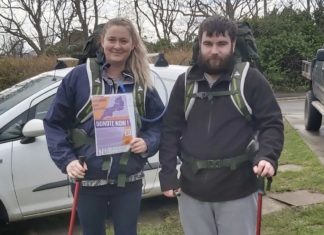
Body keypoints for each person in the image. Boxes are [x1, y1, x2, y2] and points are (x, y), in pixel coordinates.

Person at [159, 15, 284, 235]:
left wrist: (267, 156)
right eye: (208, 44)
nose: (214, 51)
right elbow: (170, 131)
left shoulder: (251, 80)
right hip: (191, 192)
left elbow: (272, 123)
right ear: (200, 44)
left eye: (221, 44)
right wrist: (168, 174)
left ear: (233, 45)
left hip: (239, 191)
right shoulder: (185, 83)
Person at [44, 17, 164, 235]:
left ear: (133, 44)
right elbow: (54, 123)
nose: (117, 46)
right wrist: (67, 160)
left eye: (123, 41)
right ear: (102, 41)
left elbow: (158, 124)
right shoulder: (79, 77)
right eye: (112, 39)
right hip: (88, 180)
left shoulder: (142, 81)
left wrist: (148, 142)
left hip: (128, 180)